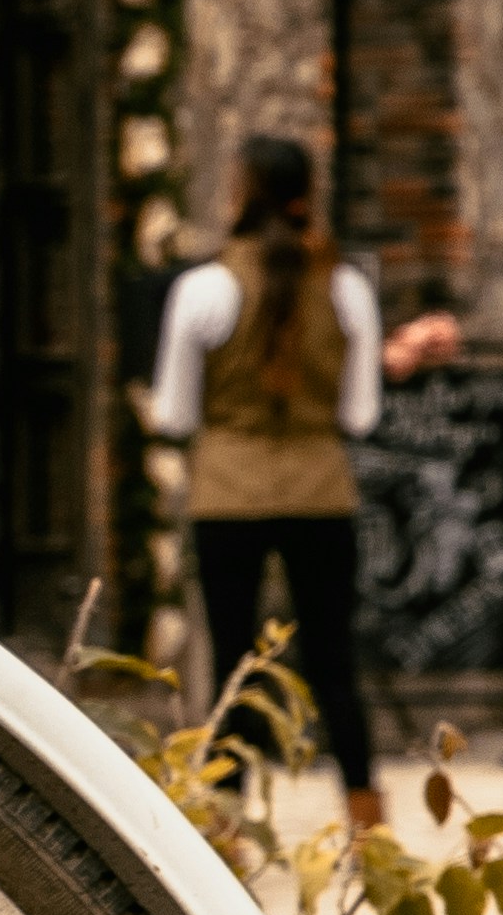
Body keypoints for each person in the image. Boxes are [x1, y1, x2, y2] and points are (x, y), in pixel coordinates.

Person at [152, 131, 467, 822]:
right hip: (322, 487)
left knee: (234, 666)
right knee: (332, 660)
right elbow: (359, 413)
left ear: (239, 193)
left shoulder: (202, 289)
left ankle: (226, 825)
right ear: (305, 197)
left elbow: (175, 412)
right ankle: (365, 818)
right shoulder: (347, 286)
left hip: (227, 490)